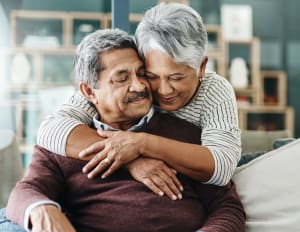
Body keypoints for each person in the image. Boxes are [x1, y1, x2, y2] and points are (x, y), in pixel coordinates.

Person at [6, 28, 294, 232]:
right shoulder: (63, 143)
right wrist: (43, 210)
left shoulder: (183, 133)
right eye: (121, 78)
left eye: (141, 73)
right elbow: (25, 191)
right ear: (89, 92)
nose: (140, 86)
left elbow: (227, 205)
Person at [37, 3, 241, 201]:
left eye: (176, 77)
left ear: (202, 67)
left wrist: (142, 143)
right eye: (151, 75)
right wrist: (131, 159)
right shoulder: (129, 87)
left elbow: (222, 167)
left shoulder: (214, 90)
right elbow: (50, 130)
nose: (163, 90)